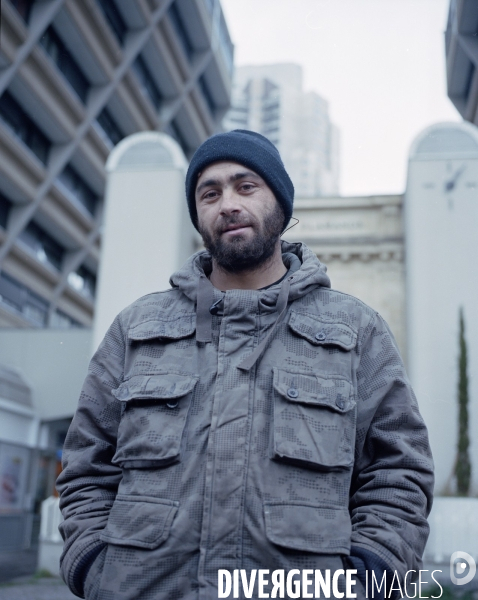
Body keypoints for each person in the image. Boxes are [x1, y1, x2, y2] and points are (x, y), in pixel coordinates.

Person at [57, 130, 434, 600]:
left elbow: (400, 472)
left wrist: (372, 575)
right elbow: (84, 468)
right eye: (209, 193)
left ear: (280, 200)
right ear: (197, 215)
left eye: (246, 186)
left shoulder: (358, 330)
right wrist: (94, 569)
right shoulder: (136, 328)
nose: (227, 204)